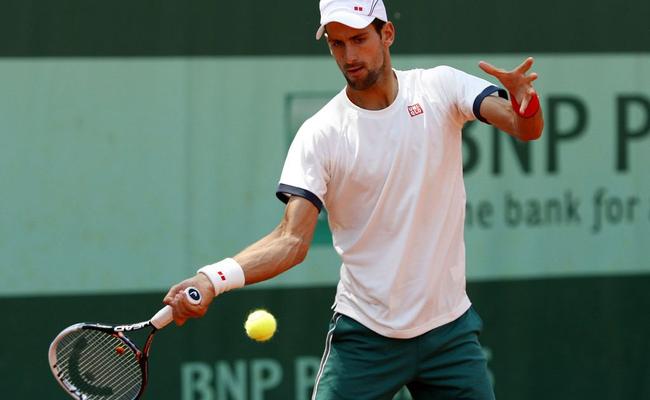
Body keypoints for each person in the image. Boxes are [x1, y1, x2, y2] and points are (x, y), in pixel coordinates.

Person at [164, 0, 544, 398]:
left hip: (449, 330)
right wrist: (212, 278)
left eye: (359, 39)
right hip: (366, 335)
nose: (349, 55)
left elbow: (524, 127)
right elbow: (290, 242)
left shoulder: (441, 87)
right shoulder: (322, 133)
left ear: (387, 34)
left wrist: (525, 102)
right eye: (337, 43)